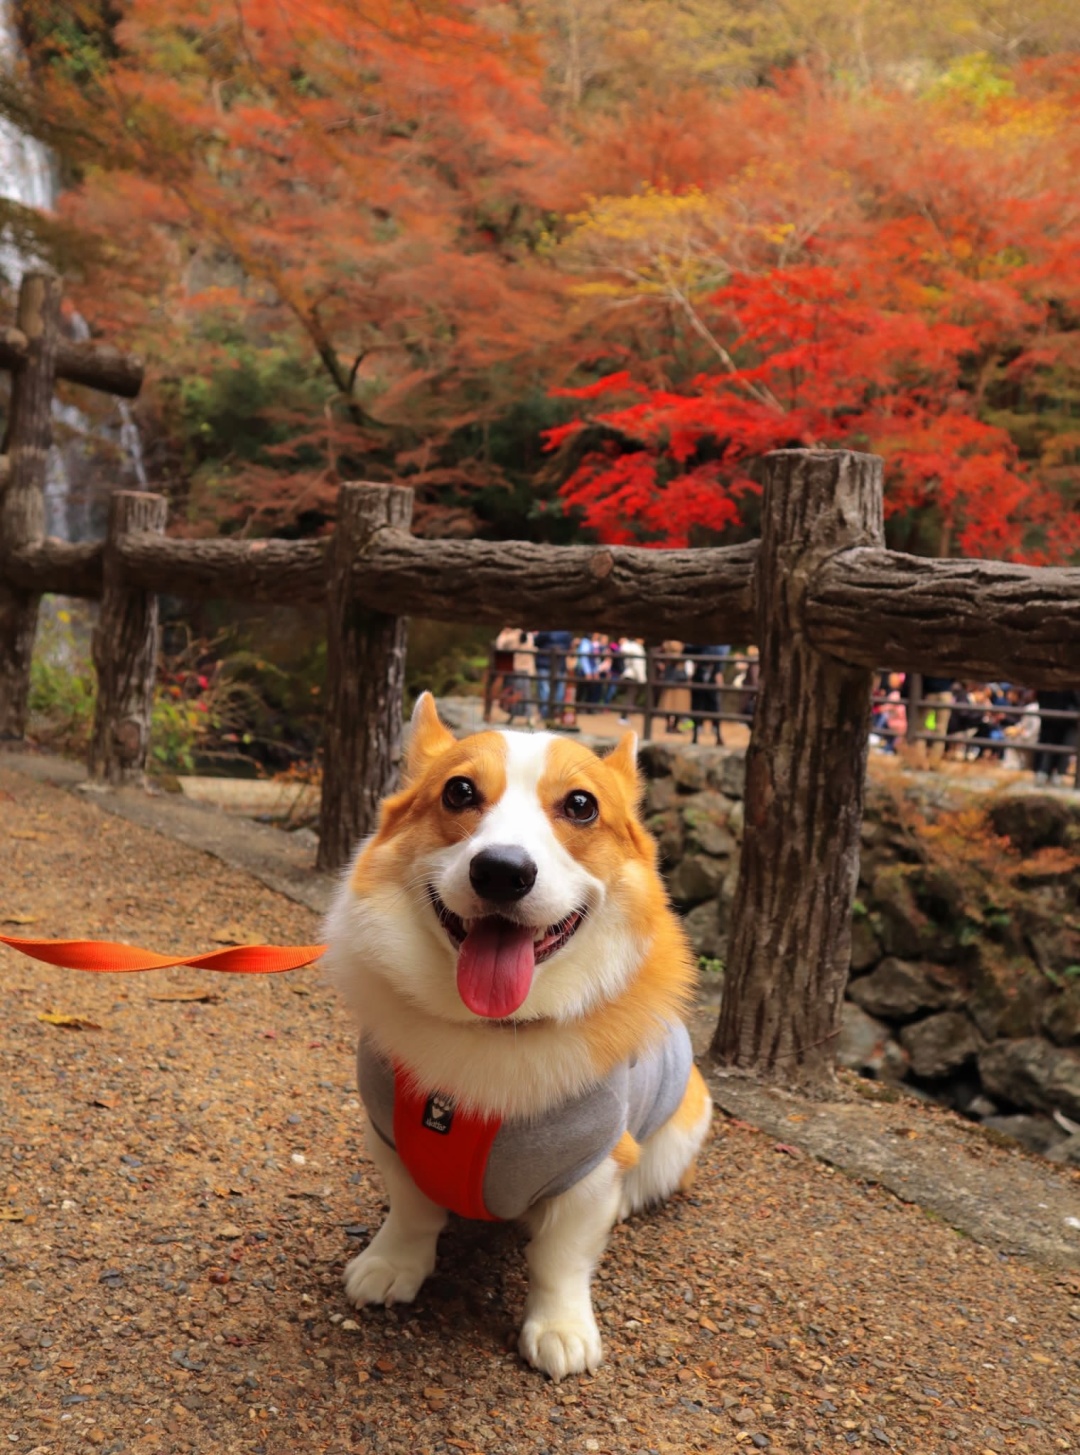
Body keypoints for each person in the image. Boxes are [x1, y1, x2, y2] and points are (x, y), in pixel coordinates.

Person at [1033, 688, 1080, 784]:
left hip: (1066, 718)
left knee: (1062, 747)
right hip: (1055, 715)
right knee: (1050, 746)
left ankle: (1054, 774)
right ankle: (1045, 773)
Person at [656, 641, 692, 732]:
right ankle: (669, 726)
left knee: (679, 702)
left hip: (678, 675)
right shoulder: (671, 644)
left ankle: (674, 725)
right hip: (674, 674)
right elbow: (675, 649)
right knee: (670, 701)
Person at [617, 637, 647, 724]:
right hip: (633, 675)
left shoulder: (631, 648)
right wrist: (642, 678)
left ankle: (624, 716)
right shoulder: (637, 649)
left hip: (628, 673)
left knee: (630, 696)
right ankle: (623, 717)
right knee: (630, 696)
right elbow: (638, 665)